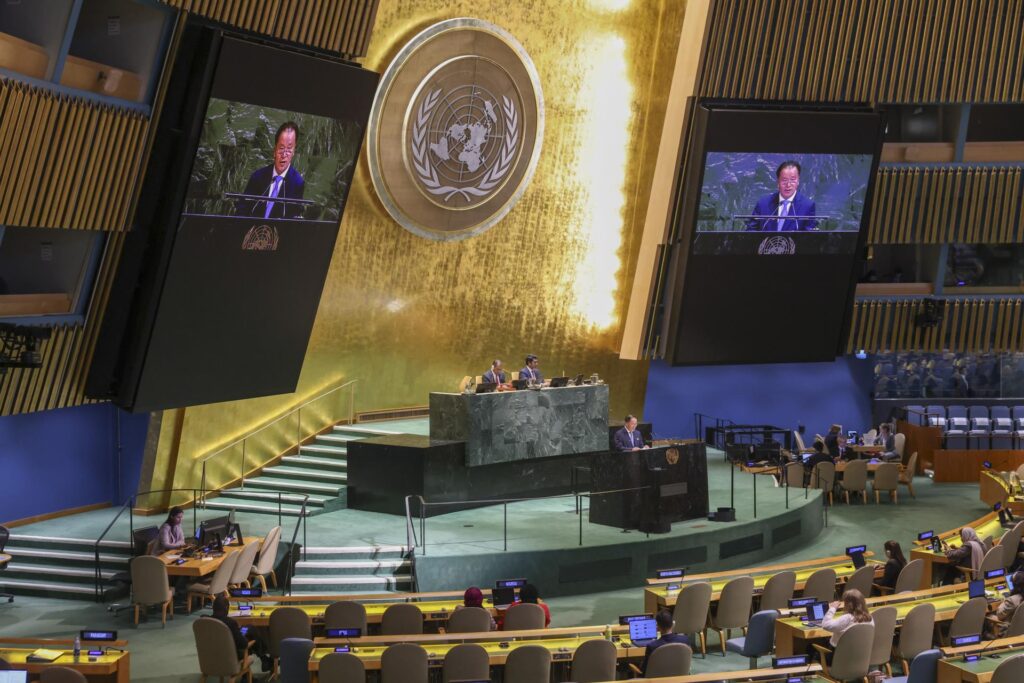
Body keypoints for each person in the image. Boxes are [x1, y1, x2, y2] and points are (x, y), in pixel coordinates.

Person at [236, 121, 306, 219]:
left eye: (289, 149)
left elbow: (293, 220)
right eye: (281, 148)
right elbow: (241, 210)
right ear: (275, 150)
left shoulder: (297, 183)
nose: (284, 154)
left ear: (294, 151)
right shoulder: (257, 177)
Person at [745, 160, 817, 231]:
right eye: (784, 180)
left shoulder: (807, 206)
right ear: (778, 182)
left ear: (798, 181)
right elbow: (751, 230)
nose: (788, 185)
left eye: (792, 180)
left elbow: (809, 235)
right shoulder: (763, 204)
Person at [641, 609, 690, 675]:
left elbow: (644, 669)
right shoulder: (685, 640)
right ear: (673, 624)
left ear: (657, 627)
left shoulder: (652, 646)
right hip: (680, 677)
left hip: (658, 678)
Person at [211, 594, 254, 659]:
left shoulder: (204, 621)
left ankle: (264, 658)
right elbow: (243, 644)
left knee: (247, 629)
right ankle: (264, 657)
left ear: (213, 607)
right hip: (230, 657)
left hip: (210, 657)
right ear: (227, 608)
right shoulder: (230, 622)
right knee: (252, 632)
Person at [989, 570, 1024, 637]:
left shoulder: (1012, 600)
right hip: (1022, 631)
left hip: (1010, 632)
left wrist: (1004, 601)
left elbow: (999, 615)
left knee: (989, 617)